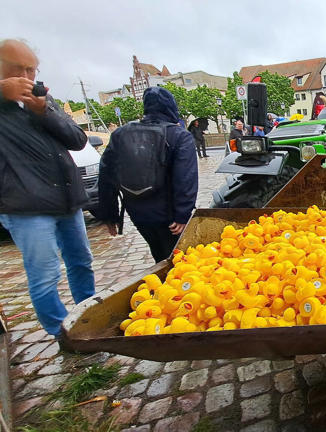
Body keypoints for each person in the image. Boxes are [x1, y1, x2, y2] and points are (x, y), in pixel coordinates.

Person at [0, 39, 95, 337]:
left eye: (31, 70)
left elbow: (77, 139)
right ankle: (63, 333)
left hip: (66, 198)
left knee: (81, 262)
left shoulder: (43, 100)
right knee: (45, 273)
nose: (26, 77)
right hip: (25, 205)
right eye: (17, 69)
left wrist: (44, 112)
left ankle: (88, 318)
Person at [99, 87, 198, 263]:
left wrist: (110, 215)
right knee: (179, 259)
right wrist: (183, 214)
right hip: (169, 214)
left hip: (138, 212)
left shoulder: (120, 134)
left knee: (159, 253)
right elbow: (185, 178)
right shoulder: (179, 136)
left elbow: (106, 176)